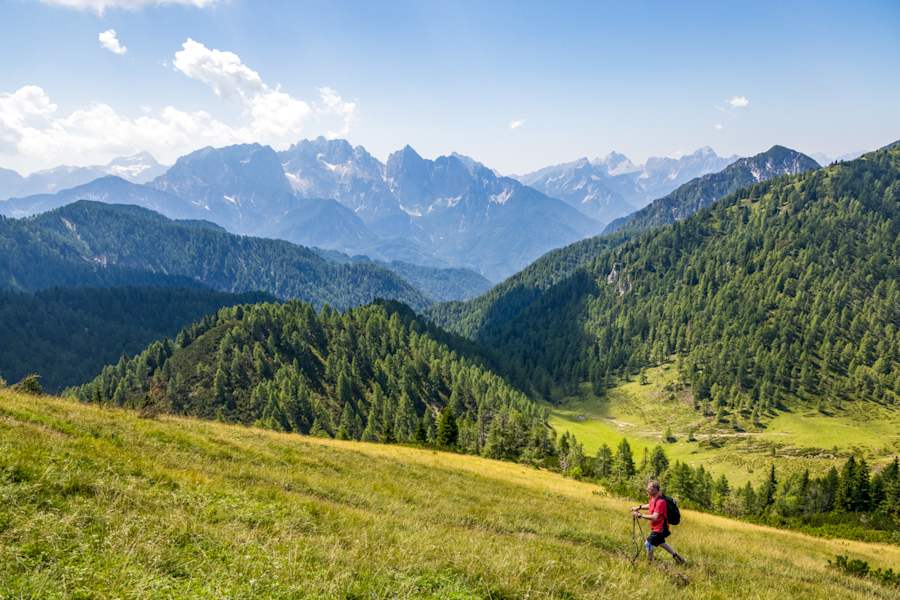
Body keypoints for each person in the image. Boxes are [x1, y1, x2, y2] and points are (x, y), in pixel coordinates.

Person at [631, 480, 685, 564]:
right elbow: (650, 505)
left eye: (649, 489)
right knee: (661, 542)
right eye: (647, 488)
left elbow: (655, 517)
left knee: (648, 544)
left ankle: (650, 563)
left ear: (656, 490)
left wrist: (640, 515)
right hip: (657, 527)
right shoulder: (654, 498)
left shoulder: (661, 502)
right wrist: (639, 507)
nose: (647, 490)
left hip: (660, 529)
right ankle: (679, 558)